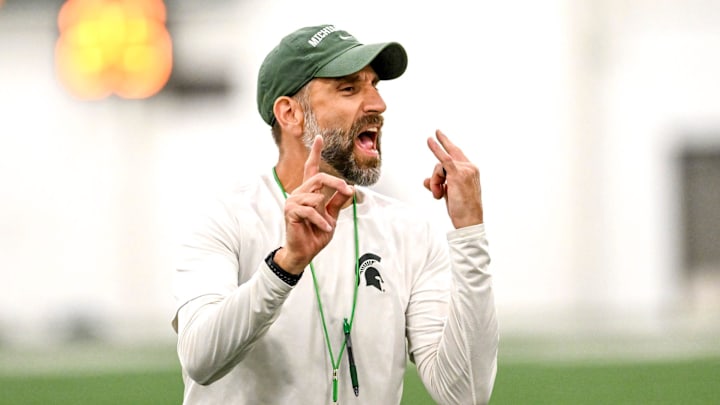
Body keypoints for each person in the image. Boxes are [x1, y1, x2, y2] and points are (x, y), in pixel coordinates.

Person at [172, 24, 498, 405]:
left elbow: (465, 393)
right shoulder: (227, 217)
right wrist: (285, 266)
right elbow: (200, 358)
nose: (377, 103)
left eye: (375, 84)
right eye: (349, 88)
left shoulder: (409, 232)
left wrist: (469, 233)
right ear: (290, 114)